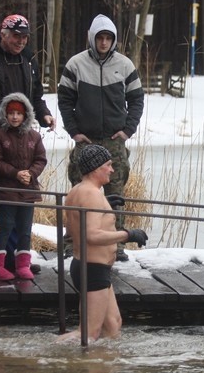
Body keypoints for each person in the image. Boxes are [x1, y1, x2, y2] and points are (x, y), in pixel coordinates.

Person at [58, 14, 144, 262]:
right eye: (100, 38)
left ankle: (116, 245)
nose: (104, 43)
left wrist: (128, 130)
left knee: (115, 193)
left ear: (114, 40)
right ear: (92, 38)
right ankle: (72, 242)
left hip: (114, 140)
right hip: (86, 140)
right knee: (79, 192)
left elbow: (137, 99)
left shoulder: (125, 65)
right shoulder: (76, 64)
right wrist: (73, 131)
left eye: (108, 38)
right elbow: (64, 100)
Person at [0, 14, 55, 271]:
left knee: (17, 201)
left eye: (25, 37)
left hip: (20, 143)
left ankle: (13, 256)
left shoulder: (29, 59)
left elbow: (36, 96)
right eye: (16, 36)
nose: (21, 41)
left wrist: (43, 115)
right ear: (3, 34)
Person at [58, 145, 148, 343]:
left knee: (113, 324)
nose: (112, 170)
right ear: (96, 167)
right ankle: (46, 354)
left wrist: (105, 204)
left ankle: (102, 369)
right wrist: (127, 234)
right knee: (89, 334)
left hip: (93, 268)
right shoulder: (91, 194)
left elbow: (81, 222)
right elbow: (90, 235)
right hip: (92, 269)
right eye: (108, 165)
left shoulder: (80, 191)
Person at [0, 93, 47, 281]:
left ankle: (23, 264)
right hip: (7, 189)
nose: (14, 117)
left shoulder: (34, 136)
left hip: (28, 190)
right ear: (5, 115)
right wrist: (16, 173)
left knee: (25, 229)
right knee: (5, 226)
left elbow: (40, 159)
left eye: (18, 113)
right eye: (11, 113)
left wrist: (30, 173)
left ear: (25, 116)